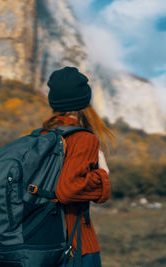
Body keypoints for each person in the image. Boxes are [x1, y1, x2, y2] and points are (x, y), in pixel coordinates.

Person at [42, 66, 116, 267]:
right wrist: (102, 175)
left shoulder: (41, 137)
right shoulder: (83, 138)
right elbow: (67, 190)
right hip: (77, 248)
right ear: (84, 102)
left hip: (42, 248)